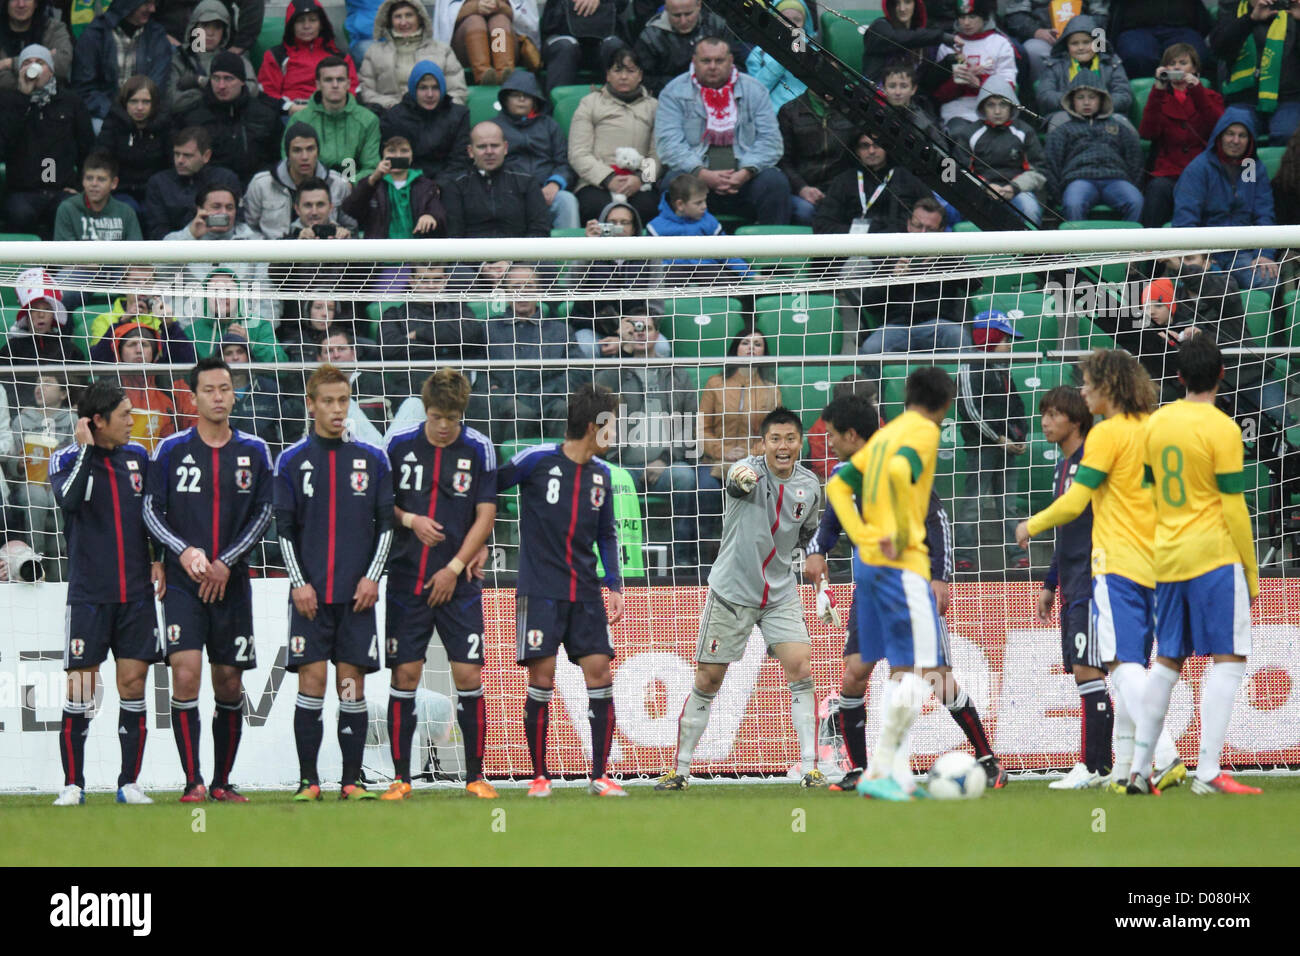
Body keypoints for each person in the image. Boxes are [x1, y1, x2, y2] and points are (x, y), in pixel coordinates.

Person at [805, 393, 1005, 792]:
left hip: (910, 584)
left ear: (851, 434)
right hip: (870, 589)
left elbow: (939, 521)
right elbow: (828, 527)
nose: (827, 443)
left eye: (831, 435)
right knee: (854, 676)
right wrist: (816, 553)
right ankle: (863, 772)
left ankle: (987, 760)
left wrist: (940, 577)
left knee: (934, 678)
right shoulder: (847, 474)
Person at [1016, 350, 1186, 794]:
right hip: (1158, 563)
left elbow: (1076, 502)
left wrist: (1030, 525)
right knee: (1134, 661)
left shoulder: (1106, 435)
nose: (1084, 391)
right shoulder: (1155, 427)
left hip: (1116, 565)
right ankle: (1130, 767)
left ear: (1108, 386)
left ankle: (1165, 755)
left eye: (1089, 383)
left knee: (1119, 662)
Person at [657, 407, 824, 789]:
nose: (783, 447)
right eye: (775, 440)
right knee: (709, 678)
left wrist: (820, 575)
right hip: (733, 593)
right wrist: (741, 476)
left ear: (800, 443)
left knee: (800, 667)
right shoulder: (746, 471)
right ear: (762, 443)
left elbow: (810, 538)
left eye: (790, 439)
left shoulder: (810, 485)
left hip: (780, 592)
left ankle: (811, 768)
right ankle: (680, 770)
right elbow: (737, 481)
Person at [1128, 336, 1263, 796]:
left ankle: (1139, 770)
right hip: (1214, 557)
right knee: (1229, 656)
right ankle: (1208, 770)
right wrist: (1250, 568)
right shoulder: (1223, 429)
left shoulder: (1156, 423)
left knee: (1167, 660)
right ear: (1221, 375)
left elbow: (1147, 492)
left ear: (1179, 377)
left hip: (1168, 556)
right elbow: (1234, 506)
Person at [143, 356, 273, 802]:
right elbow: (150, 511)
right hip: (183, 582)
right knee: (185, 674)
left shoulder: (255, 450)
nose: (218, 397)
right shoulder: (171, 449)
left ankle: (221, 781)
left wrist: (227, 561)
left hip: (231, 583)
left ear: (234, 394)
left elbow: (264, 513)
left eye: (225, 389)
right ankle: (192, 780)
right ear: (194, 397)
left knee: (230, 682)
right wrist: (182, 551)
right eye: (209, 390)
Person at [824, 368, 953, 799]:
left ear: (907, 395)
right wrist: (898, 533)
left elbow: (838, 483)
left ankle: (893, 771)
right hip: (904, 565)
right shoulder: (923, 433)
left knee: (904, 669)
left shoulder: (885, 434)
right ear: (946, 404)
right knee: (920, 667)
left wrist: (862, 537)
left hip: (873, 567)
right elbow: (901, 472)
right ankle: (882, 769)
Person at [495, 383, 626, 797]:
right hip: (541, 591)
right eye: (612, 427)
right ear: (594, 426)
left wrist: (615, 585)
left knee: (600, 673)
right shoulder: (534, 461)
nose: (616, 435)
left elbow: (606, 534)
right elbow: (489, 487)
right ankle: (539, 777)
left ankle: (600, 776)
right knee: (543, 677)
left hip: (585, 592)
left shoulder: (601, 476)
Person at [274, 363, 395, 800]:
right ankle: (308, 782)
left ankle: (352, 780)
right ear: (311, 405)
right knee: (311, 685)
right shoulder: (291, 461)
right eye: (328, 401)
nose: (337, 409)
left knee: (351, 686)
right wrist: (299, 582)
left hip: (356, 598)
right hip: (310, 598)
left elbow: (386, 527)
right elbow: (283, 528)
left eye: (343, 401)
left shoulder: (372, 459)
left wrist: (371, 578)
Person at [381, 369, 498, 799]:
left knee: (468, 673)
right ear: (425, 410)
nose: (444, 425)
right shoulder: (398, 445)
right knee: (405, 673)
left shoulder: (479, 447)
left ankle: (474, 776)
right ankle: (400, 778)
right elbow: (381, 505)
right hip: (407, 576)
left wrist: (454, 566)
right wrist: (410, 519)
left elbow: (486, 514)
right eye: (436, 416)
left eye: (452, 417)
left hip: (460, 579)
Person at [48, 380, 164, 806]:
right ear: (96, 421)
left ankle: (128, 783)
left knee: (133, 684)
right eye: (125, 416)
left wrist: (159, 558)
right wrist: (85, 451)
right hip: (89, 593)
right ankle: (73, 784)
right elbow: (70, 501)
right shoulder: (66, 458)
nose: (133, 422)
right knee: (81, 689)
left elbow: (153, 515)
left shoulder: (139, 458)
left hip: (135, 593)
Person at [1034, 385, 1111, 790]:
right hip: (1073, 578)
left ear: (1076, 419)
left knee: (1088, 669)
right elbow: (1068, 529)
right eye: (1044, 413)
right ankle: (1103, 765)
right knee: (1089, 670)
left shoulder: (1090, 463)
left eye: (1054, 413)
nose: (1045, 421)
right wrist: (1051, 581)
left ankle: (1094, 766)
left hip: (1096, 578)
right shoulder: (1062, 467)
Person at [592, 304, 698, 561]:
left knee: (685, 478)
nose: (640, 333)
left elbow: (688, 425)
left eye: (647, 328)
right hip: (620, 467)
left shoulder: (677, 375)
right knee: (600, 482)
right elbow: (597, 417)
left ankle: (681, 559)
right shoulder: (612, 373)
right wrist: (621, 350)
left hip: (665, 466)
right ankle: (608, 557)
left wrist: (663, 460)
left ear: (657, 335)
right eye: (634, 328)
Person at [654, 37, 791, 226]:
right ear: (694, 61)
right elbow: (669, 144)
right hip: (696, 182)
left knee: (775, 182)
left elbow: (771, 141)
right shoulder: (673, 92)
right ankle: (681, 254)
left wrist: (745, 172)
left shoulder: (755, 90)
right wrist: (702, 174)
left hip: (745, 180)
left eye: (719, 61)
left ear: (730, 61)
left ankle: (775, 254)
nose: (712, 66)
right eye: (706, 61)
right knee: (672, 181)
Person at [695, 326, 781, 563]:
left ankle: (754, 557)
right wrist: (723, 451)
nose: (751, 348)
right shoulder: (715, 384)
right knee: (706, 490)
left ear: (765, 352)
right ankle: (702, 554)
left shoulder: (771, 390)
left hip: (754, 463)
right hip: (715, 461)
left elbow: (774, 435)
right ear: (735, 348)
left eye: (757, 344)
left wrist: (749, 454)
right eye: (745, 343)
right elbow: (702, 429)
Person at [1173, 107, 1279, 289]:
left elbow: (1265, 214)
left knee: (1267, 280)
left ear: (1250, 140)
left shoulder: (1252, 168)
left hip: (1242, 253)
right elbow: (1185, 220)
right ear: (1220, 135)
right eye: (1230, 134)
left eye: (1242, 135)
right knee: (1197, 284)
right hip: (1207, 254)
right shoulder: (1199, 168)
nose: (1235, 140)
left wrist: (1264, 253)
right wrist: (1198, 257)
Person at [955, 311, 1029, 572]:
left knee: (1008, 504)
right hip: (982, 448)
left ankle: (1017, 555)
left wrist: (1020, 435)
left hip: (1006, 448)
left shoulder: (1002, 367)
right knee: (972, 504)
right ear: (990, 337)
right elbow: (969, 409)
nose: (1009, 345)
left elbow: (1016, 406)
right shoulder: (970, 364)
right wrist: (998, 438)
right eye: (1005, 338)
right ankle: (964, 555)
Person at [857, 197, 975, 355]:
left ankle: (963, 381)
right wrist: (893, 277)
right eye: (918, 226)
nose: (922, 233)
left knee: (958, 337)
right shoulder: (891, 255)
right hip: (897, 327)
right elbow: (869, 304)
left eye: (930, 229)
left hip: (939, 326)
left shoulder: (947, 255)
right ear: (908, 225)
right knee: (870, 348)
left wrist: (945, 259)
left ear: (941, 231)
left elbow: (976, 284)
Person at [0, 44, 94, 239]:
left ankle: (62, 268)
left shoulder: (71, 102)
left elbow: (88, 148)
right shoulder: (9, 102)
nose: (32, 67)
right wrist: (23, 98)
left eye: (40, 62)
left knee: (66, 210)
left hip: (61, 189)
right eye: (27, 63)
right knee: (20, 214)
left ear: (50, 71)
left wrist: (79, 185)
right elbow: (4, 144)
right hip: (22, 192)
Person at [567, 44, 659, 226]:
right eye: (617, 70)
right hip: (596, 182)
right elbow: (578, 153)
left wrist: (640, 179)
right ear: (608, 75)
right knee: (595, 207)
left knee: (648, 207)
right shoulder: (589, 103)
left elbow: (657, 155)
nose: (624, 77)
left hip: (638, 182)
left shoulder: (654, 107)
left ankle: (639, 256)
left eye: (630, 71)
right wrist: (608, 179)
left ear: (640, 75)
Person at [483, 263, 573, 443]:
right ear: (506, 293)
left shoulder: (560, 330)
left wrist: (551, 392)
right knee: (520, 413)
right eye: (516, 287)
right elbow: (478, 370)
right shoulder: (488, 329)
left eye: (529, 286)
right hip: (507, 399)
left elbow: (578, 371)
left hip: (552, 398)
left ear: (539, 291)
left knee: (564, 409)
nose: (522, 292)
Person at [1139, 43, 1224, 229]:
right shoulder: (1159, 97)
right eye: (1171, 63)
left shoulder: (1210, 96)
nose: (1177, 68)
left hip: (1202, 172)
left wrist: (1197, 91)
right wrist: (1158, 90)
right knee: (1157, 190)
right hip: (1168, 173)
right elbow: (1147, 132)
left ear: (1194, 68)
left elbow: (1218, 130)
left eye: (1183, 63)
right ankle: (1146, 252)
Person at [1045, 70, 1144, 223]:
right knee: (1072, 204)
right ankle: (1077, 247)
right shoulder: (1062, 130)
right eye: (1080, 97)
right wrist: (1060, 195)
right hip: (1079, 179)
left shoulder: (1119, 127)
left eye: (1092, 97)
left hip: (1115, 179)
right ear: (1072, 101)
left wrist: (1131, 183)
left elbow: (1135, 160)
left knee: (1136, 201)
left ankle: (1129, 247)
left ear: (1102, 99)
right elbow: (1051, 165)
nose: (1086, 102)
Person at [491, 68, 579, 230]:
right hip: (509, 192)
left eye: (527, 95)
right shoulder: (494, 127)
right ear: (505, 99)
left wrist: (555, 183)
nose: (521, 99)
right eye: (516, 95)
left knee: (567, 200)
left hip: (546, 191)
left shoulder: (549, 125)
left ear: (535, 100)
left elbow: (564, 161)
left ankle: (571, 256)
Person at [174, 51, 280, 185]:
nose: (221, 86)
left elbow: (276, 159)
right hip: (208, 188)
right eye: (216, 78)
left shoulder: (264, 115)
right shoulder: (193, 117)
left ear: (242, 81)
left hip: (256, 187)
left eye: (228, 78)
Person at [951, 77, 1046, 226]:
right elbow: (960, 171)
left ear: (1012, 107)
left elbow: (1039, 171)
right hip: (980, 190)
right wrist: (985, 187)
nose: (997, 111)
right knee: (955, 208)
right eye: (991, 105)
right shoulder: (969, 133)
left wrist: (1014, 188)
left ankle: (1031, 250)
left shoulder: (1025, 132)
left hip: (1017, 190)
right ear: (982, 107)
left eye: (1003, 105)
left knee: (1030, 209)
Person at [3, 372, 75, 565]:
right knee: (36, 496)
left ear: (63, 393)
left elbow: (80, 455)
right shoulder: (22, 420)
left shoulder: (72, 420)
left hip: (60, 482)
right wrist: (18, 464)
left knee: (56, 496)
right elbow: (10, 458)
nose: (39, 387)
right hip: (28, 483)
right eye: (37, 383)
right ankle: (35, 556)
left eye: (48, 383)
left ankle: (64, 556)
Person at [242, 122, 356, 240]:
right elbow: (247, 228)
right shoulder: (261, 184)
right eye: (297, 150)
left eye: (310, 149)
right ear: (287, 154)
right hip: (273, 254)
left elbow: (352, 228)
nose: (305, 157)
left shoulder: (338, 183)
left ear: (318, 152)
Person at [1211, 0, 1300, 148]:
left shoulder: (1294, 10)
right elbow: (1218, 49)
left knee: (1287, 136)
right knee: (1231, 137)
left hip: (1288, 98)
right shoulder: (1233, 10)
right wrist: (1249, 19)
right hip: (1244, 100)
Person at [72, 0, 173, 128]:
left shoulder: (156, 36)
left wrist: (139, 108)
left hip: (146, 113)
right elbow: (85, 88)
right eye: (147, 3)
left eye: (154, 4)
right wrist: (115, 112)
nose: (153, 9)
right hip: (104, 114)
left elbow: (158, 84)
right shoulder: (95, 35)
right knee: (98, 129)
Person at [441, 121, 550, 238]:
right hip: (472, 254)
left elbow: (540, 230)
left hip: (519, 253)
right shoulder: (456, 186)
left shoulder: (527, 181)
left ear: (505, 148)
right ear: (470, 151)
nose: (489, 152)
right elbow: (454, 235)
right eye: (482, 147)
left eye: (495, 146)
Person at [812, 131, 931, 236]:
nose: (871, 151)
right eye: (865, 146)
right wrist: (859, 234)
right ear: (857, 150)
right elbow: (822, 225)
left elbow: (929, 217)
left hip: (893, 252)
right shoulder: (843, 181)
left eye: (877, 144)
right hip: (848, 250)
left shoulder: (908, 179)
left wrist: (878, 234)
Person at [359, 0, 467, 111]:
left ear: (420, 18)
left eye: (409, 15)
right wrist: (392, 106)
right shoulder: (374, 52)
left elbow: (457, 90)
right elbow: (367, 92)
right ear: (389, 21)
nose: (403, 22)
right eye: (398, 17)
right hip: (390, 115)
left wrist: (440, 110)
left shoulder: (442, 50)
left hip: (434, 115)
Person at [258, 0, 357, 119]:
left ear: (321, 24)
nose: (306, 26)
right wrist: (290, 107)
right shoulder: (277, 55)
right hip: (293, 113)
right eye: (300, 21)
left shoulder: (340, 57)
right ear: (291, 25)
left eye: (312, 20)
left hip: (333, 112)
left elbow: (353, 90)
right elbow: (267, 93)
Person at [0, 270, 85, 408]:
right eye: (34, 309)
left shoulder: (70, 349)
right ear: (26, 316)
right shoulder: (11, 348)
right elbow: (5, 385)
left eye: (46, 309)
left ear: (53, 315)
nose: (41, 314)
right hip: (21, 416)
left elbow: (79, 386)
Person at [1034, 13, 1133, 130]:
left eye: (1086, 42)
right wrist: (1075, 103)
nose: (1081, 47)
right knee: (1059, 121)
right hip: (1066, 114)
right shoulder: (1054, 64)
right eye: (1074, 43)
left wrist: (1097, 104)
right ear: (1066, 45)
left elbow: (1124, 95)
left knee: (1122, 124)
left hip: (1105, 113)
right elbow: (1045, 96)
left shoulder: (1112, 63)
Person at [379, 59, 471, 184]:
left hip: (449, 183)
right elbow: (395, 160)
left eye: (435, 88)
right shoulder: (394, 118)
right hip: (409, 183)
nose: (430, 94)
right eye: (423, 88)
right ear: (413, 89)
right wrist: (421, 189)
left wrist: (439, 185)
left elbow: (459, 160)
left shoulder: (459, 116)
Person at [646, 172, 750, 282]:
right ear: (680, 204)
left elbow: (726, 252)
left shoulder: (710, 221)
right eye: (698, 203)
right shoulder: (655, 228)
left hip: (706, 268)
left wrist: (748, 274)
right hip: (673, 270)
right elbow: (650, 262)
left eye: (705, 200)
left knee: (718, 277)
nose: (704, 206)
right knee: (670, 276)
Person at [931, 0, 1018, 131]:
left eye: (972, 17)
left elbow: (1008, 87)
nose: (966, 23)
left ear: (984, 18)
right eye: (962, 17)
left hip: (994, 111)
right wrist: (958, 82)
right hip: (956, 112)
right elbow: (938, 95)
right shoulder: (948, 46)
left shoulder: (1000, 44)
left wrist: (980, 83)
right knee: (958, 133)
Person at [143, 126, 242, 240]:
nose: (180, 160)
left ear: (206, 156)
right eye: (176, 154)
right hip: (175, 251)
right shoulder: (158, 183)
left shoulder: (226, 179)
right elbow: (157, 233)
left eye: (187, 155)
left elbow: (237, 225)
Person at [778, 90, 858, 227]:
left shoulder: (851, 110)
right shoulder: (789, 111)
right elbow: (783, 161)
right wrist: (802, 188)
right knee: (805, 212)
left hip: (840, 190)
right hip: (801, 190)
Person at [295, 55, 381, 180]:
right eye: (328, 80)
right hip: (310, 188)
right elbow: (291, 162)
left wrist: (350, 185)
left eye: (340, 79)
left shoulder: (368, 120)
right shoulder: (300, 120)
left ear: (348, 84)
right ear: (318, 84)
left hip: (353, 191)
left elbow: (371, 166)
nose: (335, 85)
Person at [632, 0, 744, 95]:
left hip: (719, 91)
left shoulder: (716, 25)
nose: (683, 21)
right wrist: (686, 85)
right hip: (674, 96)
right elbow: (644, 78)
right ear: (666, 9)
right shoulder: (651, 38)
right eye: (676, 15)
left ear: (699, 5)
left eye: (688, 14)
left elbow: (736, 61)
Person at [168, 0, 259, 114]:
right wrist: (220, 91)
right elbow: (172, 101)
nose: (210, 33)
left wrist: (201, 82)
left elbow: (252, 90)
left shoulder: (234, 59)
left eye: (217, 27)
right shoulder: (179, 59)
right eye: (205, 26)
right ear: (194, 27)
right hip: (191, 125)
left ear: (225, 31)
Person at [94, 75, 171, 210]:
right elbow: (102, 157)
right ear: (125, 103)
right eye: (134, 101)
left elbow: (170, 163)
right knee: (130, 209)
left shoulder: (164, 125)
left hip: (154, 190)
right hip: (121, 190)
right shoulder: (113, 123)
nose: (139, 107)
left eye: (146, 102)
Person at [103, 323, 178, 452]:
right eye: (132, 344)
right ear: (119, 351)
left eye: (145, 344)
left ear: (154, 351)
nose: (138, 350)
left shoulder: (170, 391)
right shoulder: (106, 393)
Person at [432, 0, 541, 86]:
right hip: (465, 46)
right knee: (475, 22)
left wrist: (501, 6)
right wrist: (473, 7)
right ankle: (483, 74)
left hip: (507, 40)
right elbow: (444, 20)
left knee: (499, 22)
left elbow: (528, 22)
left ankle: (504, 72)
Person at [1001, 0, 1110, 82]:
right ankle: (1046, 97)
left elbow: (1100, 13)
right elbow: (1016, 14)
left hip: (1084, 35)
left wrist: (1082, 32)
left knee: (1101, 47)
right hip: (1044, 36)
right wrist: (1036, 31)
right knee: (1033, 50)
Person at [53, 150, 144, 241]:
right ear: (83, 181)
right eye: (89, 178)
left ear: (114, 183)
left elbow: (136, 253)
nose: (94, 184)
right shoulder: (67, 209)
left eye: (101, 179)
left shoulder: (127, 213)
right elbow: (65, 253)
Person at [1110, 0, 1213, 80]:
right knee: (1137, 57)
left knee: (1193, 55)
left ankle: (1187, 99)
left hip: (1180, 26)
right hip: (1136, 27)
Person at [540, 0, 626, 93]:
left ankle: (619, 102)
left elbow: (622, 4)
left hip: (601, 39)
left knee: (614, 46)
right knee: (565, 46)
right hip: (562, 35)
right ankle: (556, 104)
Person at [861, 0, 954, 82]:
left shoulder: (923, 37)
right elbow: (896, 38)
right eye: (896, 3)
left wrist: (949, 62)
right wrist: (941, 36)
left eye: (907, 2)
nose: (902, 8)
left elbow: (924, 83)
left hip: (906, 99)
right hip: (875, 96)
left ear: (916, 5)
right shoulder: (880, 26)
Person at [745, 0, 813, 111]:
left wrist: (802, 50)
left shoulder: (814, 53)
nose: (790, 25)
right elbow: (754, 93)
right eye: (783, 19)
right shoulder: (759, 53)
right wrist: (784, 58)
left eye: (796, 20)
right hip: (772, 117)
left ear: (804, 24)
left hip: (806, 116)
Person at [0, 0, 72, 92]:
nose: (21, 4)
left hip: (52, 100)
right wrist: (43, 61)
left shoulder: (54, 29)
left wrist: (10, 63)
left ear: (36, 3)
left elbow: (62, 65)